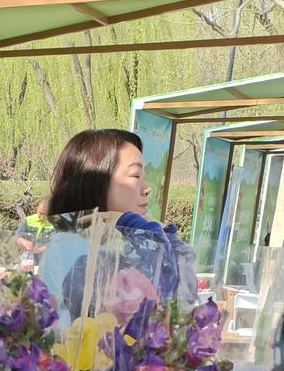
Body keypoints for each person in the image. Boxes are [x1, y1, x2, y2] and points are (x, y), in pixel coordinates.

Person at [45, 128, 197, 308]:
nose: (146, 188)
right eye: (135, 176)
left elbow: (183, 297)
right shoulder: (72, 247)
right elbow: (166, 297)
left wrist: (152, 231)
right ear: (95, 182)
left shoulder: (124, 238)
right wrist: (143, 232)